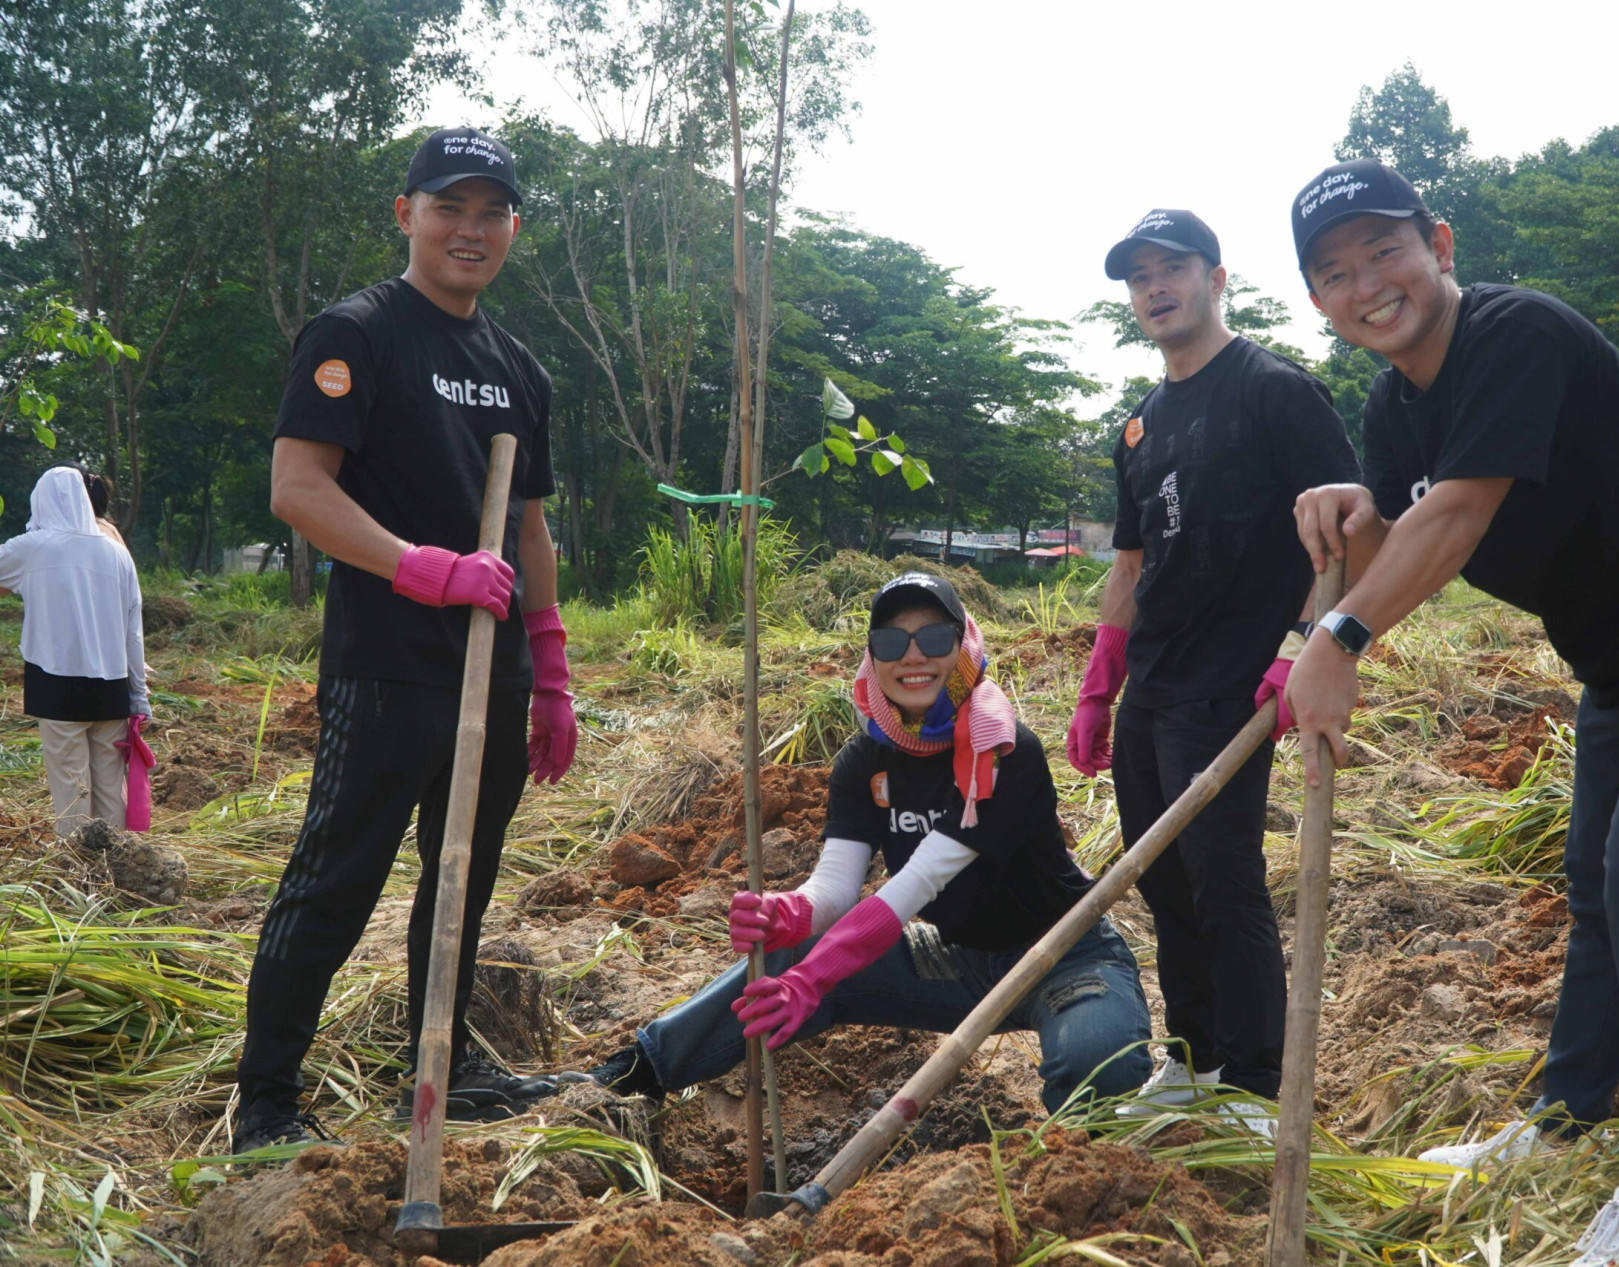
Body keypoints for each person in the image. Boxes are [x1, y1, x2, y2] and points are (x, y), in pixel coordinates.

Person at [1285, 158, 1619, 1267]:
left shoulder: (1515, 334)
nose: (1369, 283)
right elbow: (1403, 549)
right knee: (1590, 886)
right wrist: (1351, 515)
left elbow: (1462, 516)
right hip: (1618, 662)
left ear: (1440, 245)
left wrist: (1338, 642)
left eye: (1385, 249)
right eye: (1335, 271)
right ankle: (1565, 1113)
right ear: (1319, 306)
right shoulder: (1392, 407)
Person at [233, 127, 579, 1154]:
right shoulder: (357, 334)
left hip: (493, 670)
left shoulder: (518, 367)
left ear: (512, 227)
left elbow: (527, 527)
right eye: (449, 208)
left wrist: (550, 666)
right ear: (407, 215)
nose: (469, 230)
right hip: (389, 666)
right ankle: (267, 1100)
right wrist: (425, 568)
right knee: (335, 879)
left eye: (490, 212)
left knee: (461, 878)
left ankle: (440, 1064)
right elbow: (298, 491)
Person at [587, 573, 1153, 1119]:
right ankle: (637, 1074)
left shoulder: (1001, 749)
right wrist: (786, 912)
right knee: (792, 952)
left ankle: (1074, 1161)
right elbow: (833, 890)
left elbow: (916, 884)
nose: (913, 656)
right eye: (891, 640)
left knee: (1095, 1065)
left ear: (963, 647)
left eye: (933, 638)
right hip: (955, 960)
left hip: (1061, 955)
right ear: (872, 656)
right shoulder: (864, 761)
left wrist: (815, 979)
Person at [1065, 211, 1360, 1134]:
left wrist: (1303, 647)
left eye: (1174, 269)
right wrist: (1100, 675)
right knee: (1159, 876)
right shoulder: (1139, 428)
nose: (1156, 288)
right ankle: (1191, 1058)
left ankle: (1256, 1083)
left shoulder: (1276, 393)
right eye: (1140, 276)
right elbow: (1129, 563)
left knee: (1223, 880)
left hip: (1234, 684)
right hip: (1154, 682)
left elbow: (1348, 534)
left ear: (1217, 277)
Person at [0, 466, 148, 836]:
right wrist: (139, 695)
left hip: (55, 684)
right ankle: (118, 861)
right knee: (111, 786)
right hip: (112, 687)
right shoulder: (117, 553)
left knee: (71, 784)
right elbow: (134, 632)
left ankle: (76, 868)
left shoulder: (32, 547)